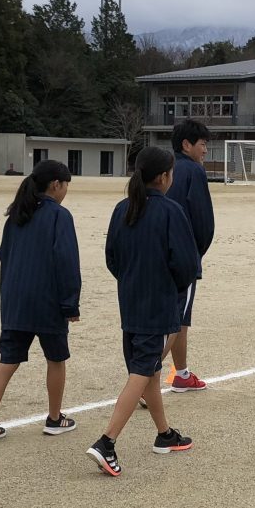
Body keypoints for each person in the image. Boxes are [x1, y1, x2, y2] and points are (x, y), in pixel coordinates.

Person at [88, 147, 200, 477]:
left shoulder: (123, 208)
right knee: (142, 370)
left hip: (131, 300)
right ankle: (107, 442)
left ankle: (164, 434)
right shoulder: (170, 211)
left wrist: (131, 280)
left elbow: (112, 258)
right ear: (164, 177)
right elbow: (187, 264)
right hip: (158, 303)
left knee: (149, 368)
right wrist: (174, 289)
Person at [0, 160, 81, 442]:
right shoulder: (60, 216)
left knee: (8, 360)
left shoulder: (17, 216)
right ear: (56, 185)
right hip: (48, 302)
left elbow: (4, 256)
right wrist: (70, 304)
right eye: (66, 184)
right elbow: (66, 261)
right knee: (56, 359)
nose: (66, 190)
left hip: (16, 302)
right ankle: (55, 418)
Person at [162, 119, 215, 393]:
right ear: (187, 144)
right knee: (177, 317)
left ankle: (181, 373)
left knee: (180, 318)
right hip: (182, 257)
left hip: (158, 253)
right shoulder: (194, 171)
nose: (206, 150)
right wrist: (195, 253)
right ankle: (144, 379)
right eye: (203, 144)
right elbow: (203, 221)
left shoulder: (165, 168)